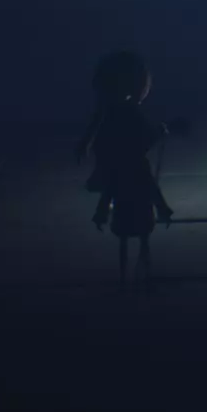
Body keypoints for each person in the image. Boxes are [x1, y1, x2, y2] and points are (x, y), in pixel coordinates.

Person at [78, 51, 174, 283]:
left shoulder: (110, 114)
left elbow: (110, 189)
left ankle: (128, 275)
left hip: (121, 186)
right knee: (142, 234)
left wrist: (101, 214)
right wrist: (160, 132)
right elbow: (146, 142)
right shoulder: (128, 115)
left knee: (127, 234)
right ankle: (142, 272)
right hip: (133, 191)